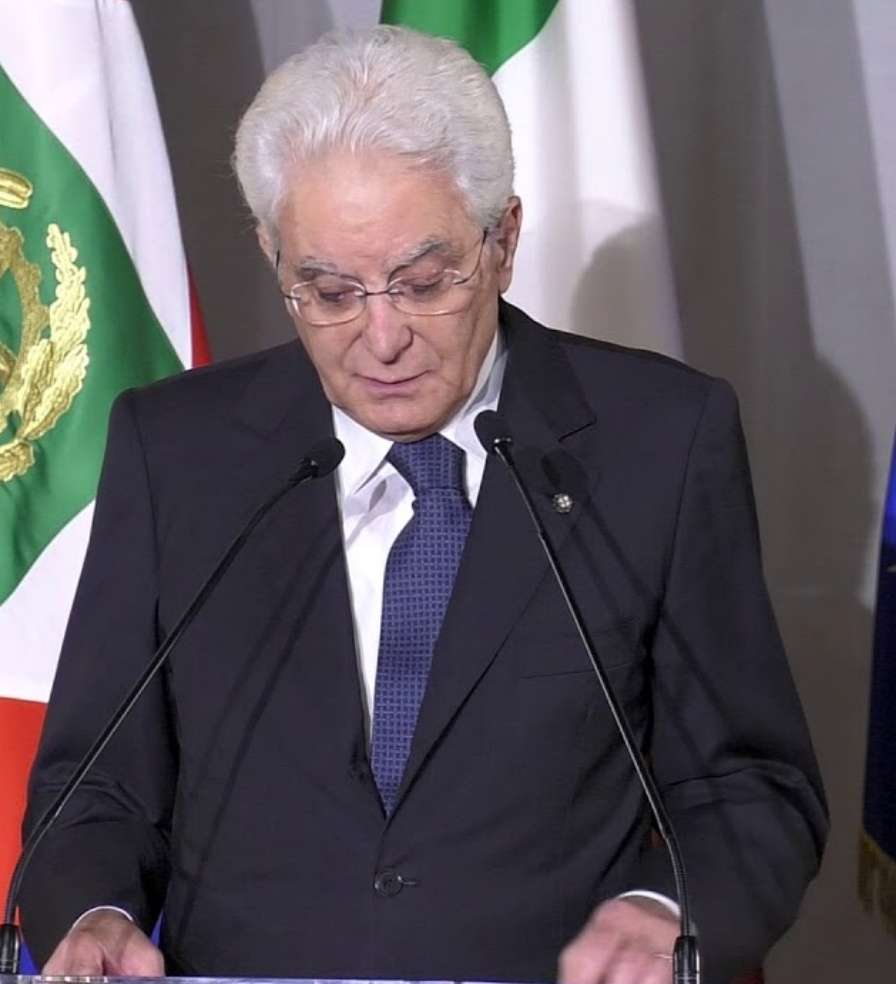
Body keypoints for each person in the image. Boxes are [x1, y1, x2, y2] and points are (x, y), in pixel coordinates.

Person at [20, 25, 826, 984]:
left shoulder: (657, 440)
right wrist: (97, 911)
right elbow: (96, 785)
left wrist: (667, 909)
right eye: (329, 292)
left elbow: (749, 783)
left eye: (423, 282)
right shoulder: (179, 451)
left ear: (503, 242)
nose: (382, 337)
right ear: (274, 257)